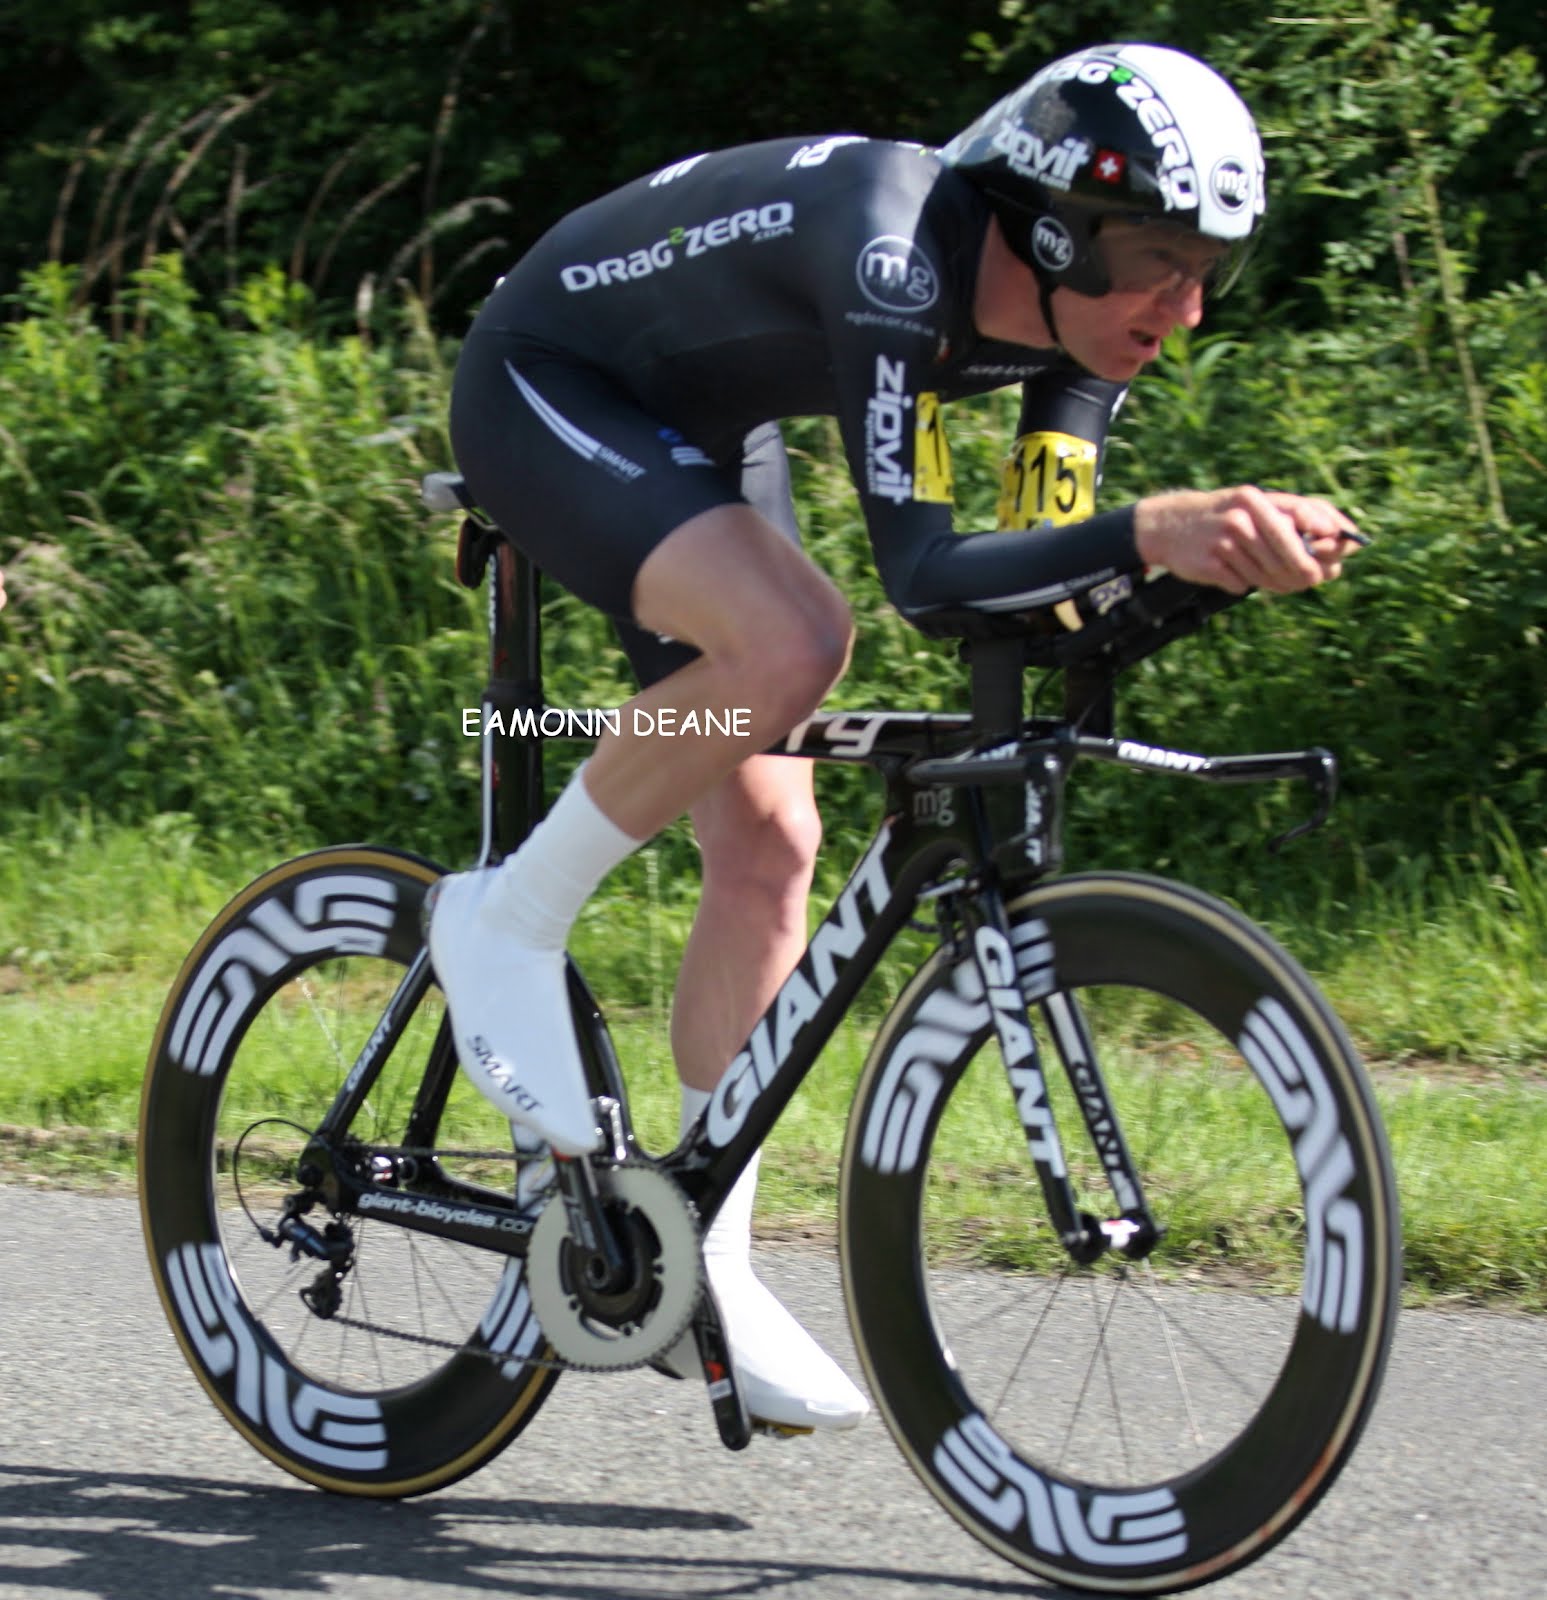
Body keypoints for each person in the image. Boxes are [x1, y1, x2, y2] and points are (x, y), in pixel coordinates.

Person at [430, 41, 1361, 1431]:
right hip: (551, 380)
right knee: (794, 639)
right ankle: (505, 920)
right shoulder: (897, 257)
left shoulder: (1083, 338)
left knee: (770, 840)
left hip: (699, 422)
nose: (1185, 309)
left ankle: (706, 1261)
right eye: (1160, 262)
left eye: (1208, 270)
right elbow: (926, 578)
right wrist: (1155, 528)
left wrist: (1190, 569)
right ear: (1056, 229)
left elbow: (1034, 580)